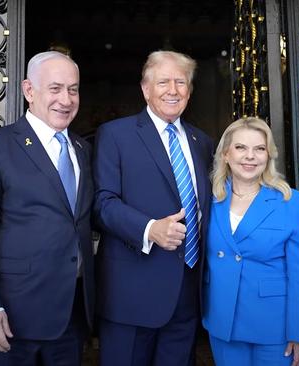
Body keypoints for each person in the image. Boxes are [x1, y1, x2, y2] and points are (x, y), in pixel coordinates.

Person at [0, 51, 94, 366]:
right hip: (10, 318)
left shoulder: (81, 149)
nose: (66, 99)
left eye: (73, 89)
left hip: (70, 316)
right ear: (29, 91)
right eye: (56, 88)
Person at [93, 50, 214, 366]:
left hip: (187, 296)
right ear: (146, 89)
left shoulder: (203, 143)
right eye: (163, 82)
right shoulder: (115, 135)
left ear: (189, 90)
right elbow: (102, 204)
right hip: (131, 295)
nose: (173, 90)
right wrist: (150, 229)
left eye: (181, 81)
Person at [202, 117, 299, 366]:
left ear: (269, 155)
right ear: (225, 154)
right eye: (241, 147)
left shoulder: (291, 201)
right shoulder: (207, 199)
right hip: (223, 322)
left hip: (275, 326)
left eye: (259, 149)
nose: (250, 156)